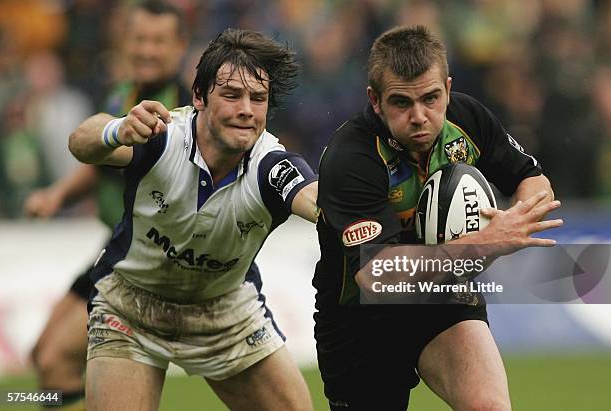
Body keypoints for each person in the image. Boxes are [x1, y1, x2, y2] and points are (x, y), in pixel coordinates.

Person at [313, 25, 563, 410]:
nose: (419, 116)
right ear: (375, 100)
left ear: (447, 88)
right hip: (360, 321)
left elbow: (532, 178)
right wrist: (485, 243)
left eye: (431, 98)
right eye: (401, 103)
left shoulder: (468, 118)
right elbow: (378, 275)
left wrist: (515, 217)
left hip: (444, 298)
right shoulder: (351, 158)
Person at [69, 28, 318, 411]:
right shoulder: (163, 136)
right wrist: (116, 129)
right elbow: (80, 142)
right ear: (199, 97)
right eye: (232, 95)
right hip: (129, 308)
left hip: (225, 313)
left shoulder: (271, 164)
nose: (246, 110)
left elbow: (314, 200)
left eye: (258, 98)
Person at [25, 1, 190, 409]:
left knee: (55, 360)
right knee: (42, 359)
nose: (147, 50)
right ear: (124, 42)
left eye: (158, 41)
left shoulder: (181, 111)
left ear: (179, 47)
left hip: (143, 257)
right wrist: (58, 195)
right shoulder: (122, 93)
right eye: (139, 39)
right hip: (111, 244)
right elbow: (103, 161)